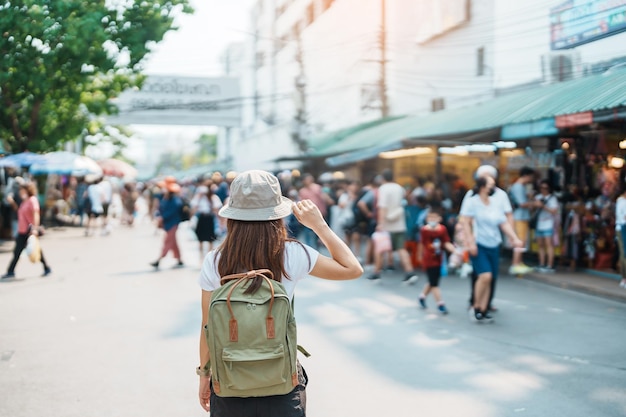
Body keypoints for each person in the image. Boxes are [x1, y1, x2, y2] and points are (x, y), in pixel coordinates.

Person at [197, 170, 362, 415]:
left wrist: (205, 375)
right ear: (277, 214)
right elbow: (352, 269)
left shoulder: (216, 260)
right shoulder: (292, 254)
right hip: (281, 379)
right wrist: (320, 225)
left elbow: (207, 326)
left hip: (230, 381)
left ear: (233, 215)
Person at [459, 176, 524, 323]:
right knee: (485, 276)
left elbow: (503, 223)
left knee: (491, 278)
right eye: (490, 185)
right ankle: (475, 307)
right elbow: (466, 222)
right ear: (482, 187)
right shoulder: (472, 202)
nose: (493, 188)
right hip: (478, 244)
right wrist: (470, 243)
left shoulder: (495, 203)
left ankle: (483, 309)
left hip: (494, 244)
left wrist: (514, 238)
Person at [366, 169, 419, 283]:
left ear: (383, 178)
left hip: (387, 224)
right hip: (399, 223)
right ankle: (409, 272)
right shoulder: (399, 188)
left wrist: (380, 223)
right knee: (401, 249)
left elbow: (382, 207)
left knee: (380, 249)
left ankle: (376, 272)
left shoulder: (383, 189)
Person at [1, 182, 52, 279]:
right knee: (22, 251)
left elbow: (36, 214)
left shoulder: (32, 200)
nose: (20, 192)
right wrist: (11, 202)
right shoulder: (24, 201)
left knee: (26, 250)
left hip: (28, 231)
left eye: (22, 190)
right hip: (22, 230)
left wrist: (35, 229)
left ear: (27, 190)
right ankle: (46, 268)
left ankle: (11, 271)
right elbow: (19, 211)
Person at [418, 209, 455, 314]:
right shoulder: (424, 230)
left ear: (440, 218)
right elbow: (422, 243)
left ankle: (422, 296)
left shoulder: (442, 229)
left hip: (439, 259)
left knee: (432, 281)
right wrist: (419, 256)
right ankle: (440, 304)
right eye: (430, 218)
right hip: (429, 260)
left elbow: (446, 242)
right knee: (434, 284)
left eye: (434, 217)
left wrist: (454, 250)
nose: (432, 220)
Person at [508, 166, 536, 275]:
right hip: (520, 217)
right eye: (531, 177)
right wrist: (534, 203)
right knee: (520, 241)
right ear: (526, 176)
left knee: (522, 241)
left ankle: (519, 263)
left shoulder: (519, 186)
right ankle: (515, 264)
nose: (531, 179)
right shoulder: (519, 187)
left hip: (521, 216)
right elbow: (522, 203)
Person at [150, 181, 184, 269]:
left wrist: (162, 217)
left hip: (173, 223)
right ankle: (179, 259)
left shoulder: (175, 200)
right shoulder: (166, 199)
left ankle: (159, 260)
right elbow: (161, 208)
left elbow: (171, 212)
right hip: (168, 223)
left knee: (167, 241)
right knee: (173, 242)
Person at [190, 185, 222, 264]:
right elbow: (194, 206)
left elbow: (217, 208)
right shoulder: (199, 198)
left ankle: (209, 257)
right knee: (200, 238)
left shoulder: (214, 198)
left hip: (209, 218)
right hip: (202, 217)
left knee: (210, 239)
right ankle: (201, 257)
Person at [533, 179, 560, 273]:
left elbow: (554, 211)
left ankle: (550, 265)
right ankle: (541, 263)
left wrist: (543, 206)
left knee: (549, 245)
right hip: (539, 223)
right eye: (542, 188)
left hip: (548, 223)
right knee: (540, 245)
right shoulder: (537, 197)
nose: (543, 190)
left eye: (546, 188)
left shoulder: (552, 198)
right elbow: (532, 209)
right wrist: (534, 205)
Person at [615, 184, 626, 288]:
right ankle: (624, 277)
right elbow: (623, 217)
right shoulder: (621, 201)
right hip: (622, 228)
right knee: (624, 253)